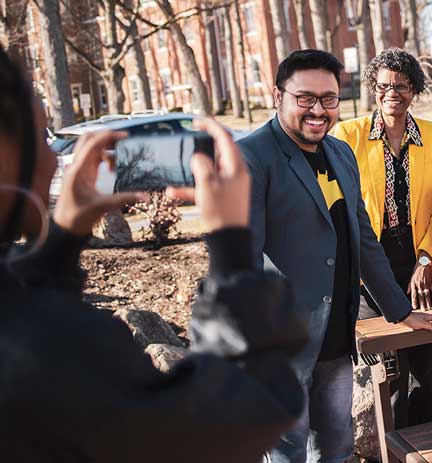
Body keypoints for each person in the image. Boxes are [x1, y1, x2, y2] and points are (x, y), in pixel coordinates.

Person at [0, 47, 308, 462]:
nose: (56, 160)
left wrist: (60, 242)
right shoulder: (51, 347)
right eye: (40, 139)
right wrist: (231, 246)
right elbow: (242, 412)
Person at [238, 49, 432, 463]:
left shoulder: (339, 154)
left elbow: (364, 242)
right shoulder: (251, 157)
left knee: (336, 447)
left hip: (335, 335)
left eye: (329, 98)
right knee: (287, 452)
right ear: (277, 94)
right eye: (305, 98)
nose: (318, 109)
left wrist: (400, 311)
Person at [331, 48, 432, 428]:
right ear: (373, 89)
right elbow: (339, 207)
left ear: (413, 88)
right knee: (390, 367)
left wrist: (427, 260)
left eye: (400, 85)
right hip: (369, 264)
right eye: (383, 86)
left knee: (424, 369)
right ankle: (394, 450)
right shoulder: (348, 135)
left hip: (418, 261)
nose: (391, 92)